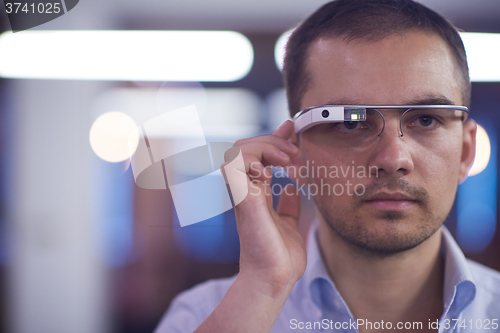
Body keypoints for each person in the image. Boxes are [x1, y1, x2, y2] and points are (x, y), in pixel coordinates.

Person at [155, 0, 500, 332]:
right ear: (294, 155)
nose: (394, 159)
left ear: (466, 151)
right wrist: (262, 289)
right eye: (350, 123)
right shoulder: (203, 317)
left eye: (425, 119)